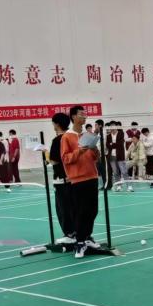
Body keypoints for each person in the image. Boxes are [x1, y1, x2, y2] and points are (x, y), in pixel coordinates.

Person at [62, 105, 102, 258]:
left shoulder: (87, 135)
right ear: (73, 116)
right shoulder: (67, 137)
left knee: (93, 210)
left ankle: (87, 237)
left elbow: (94, 157)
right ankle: (79, 242)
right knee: (81, 211)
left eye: (85, 114)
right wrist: (80, 151)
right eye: (81, 114)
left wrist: (95, 151)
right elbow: (66, 158)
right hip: (78, 179)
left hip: (92, 176)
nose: (84, 116)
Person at [49, 113, 76, 244]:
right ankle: (77, 233)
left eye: (53, 123)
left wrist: (46, 155)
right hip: (74, 177)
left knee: (63, 208)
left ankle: (69, 234)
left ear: (57, 124)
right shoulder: (73, 137)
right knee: (74, 206)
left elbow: (54, 161)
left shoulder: (58, 140)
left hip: (61, 179)